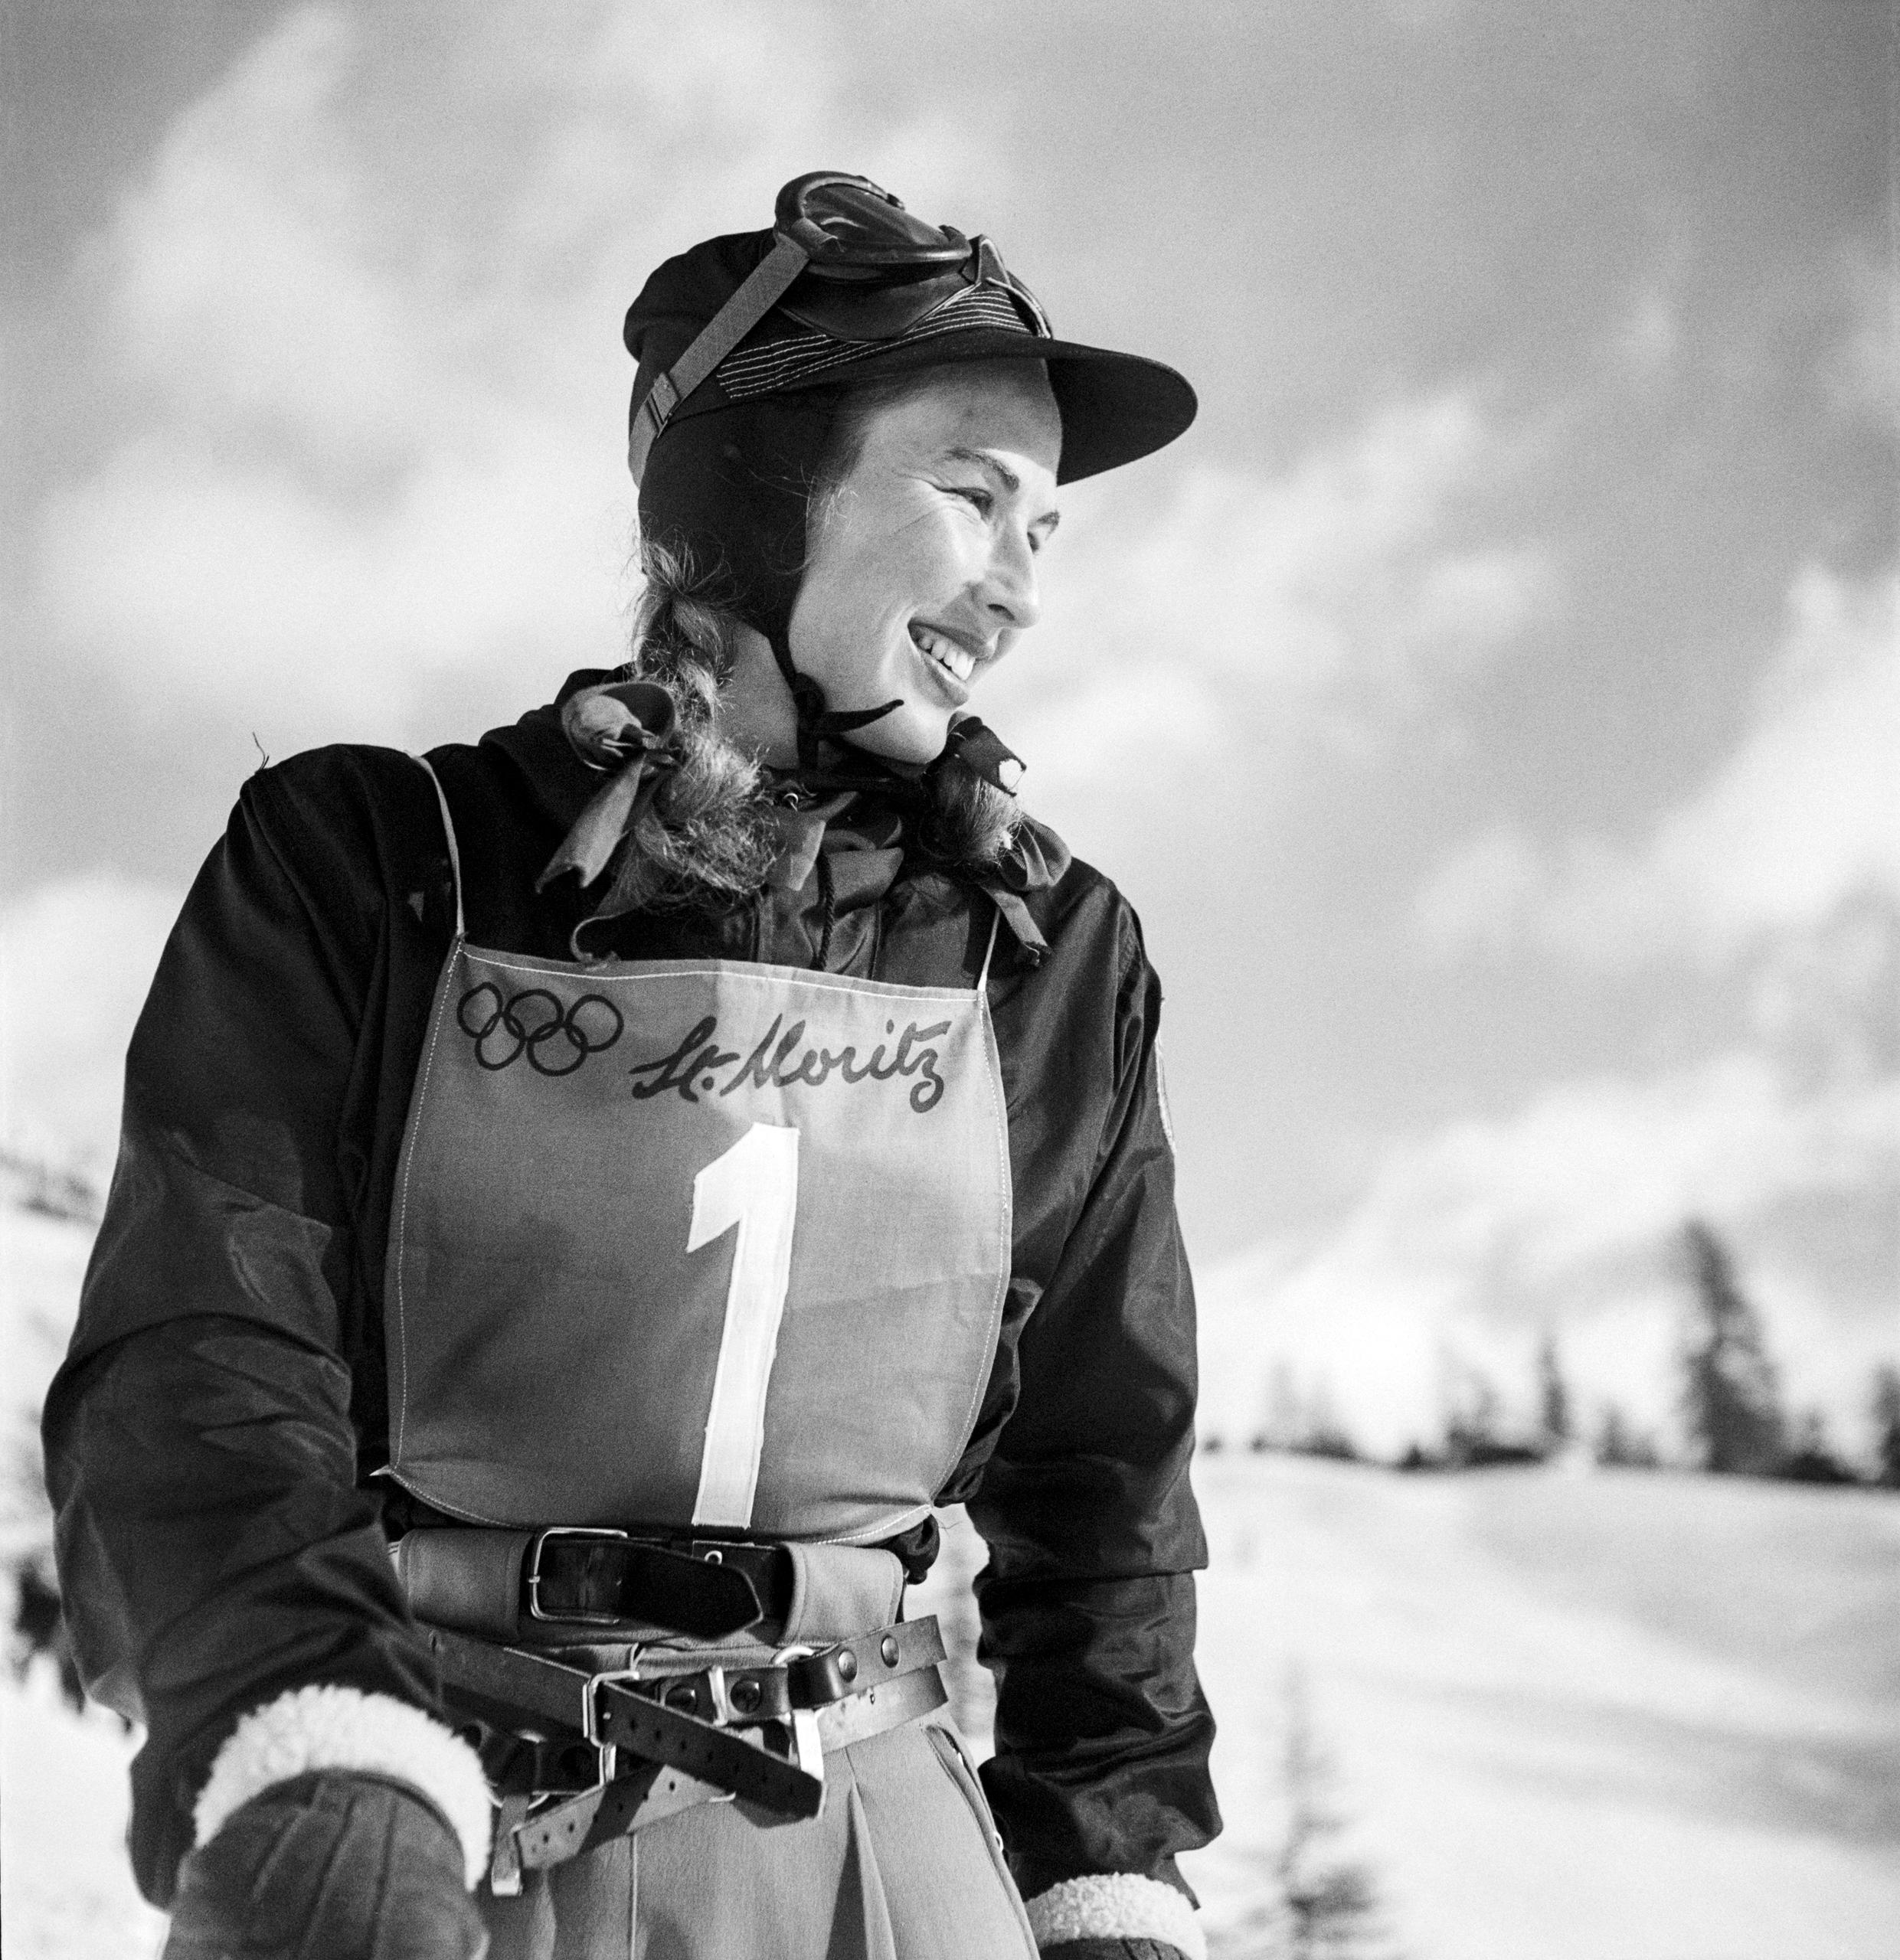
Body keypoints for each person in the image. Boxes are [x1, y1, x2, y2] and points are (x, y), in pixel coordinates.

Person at [45, 172, 1219, 1960]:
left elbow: (1104, 1478)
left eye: (1043, 530)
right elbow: (200, 1343)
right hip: (440, 1817)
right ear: (757, 497)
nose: (1013, 590)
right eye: (967, 496)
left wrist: (1105, 1880)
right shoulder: (373, 863)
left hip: (876, 1852)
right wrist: (311, 1752)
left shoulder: (1043, 961)